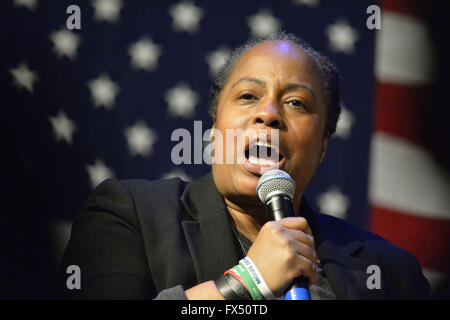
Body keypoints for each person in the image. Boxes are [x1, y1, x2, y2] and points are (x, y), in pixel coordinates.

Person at [56, 32, 429, 300]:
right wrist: (246, 282)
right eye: (249, 96)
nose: (268, 114)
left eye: (297, 103)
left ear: (323, 147)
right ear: (216, 129)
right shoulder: (128, 215)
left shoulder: (392, 274)